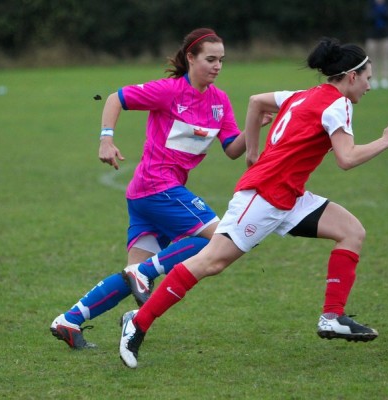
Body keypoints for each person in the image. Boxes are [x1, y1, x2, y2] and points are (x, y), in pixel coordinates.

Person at [118, 37, 388, 369]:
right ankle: (138, 323)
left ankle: (332, 317)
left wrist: (254, 153)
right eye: (368, 79)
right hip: (264, 197)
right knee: (210, 262)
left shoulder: (301, 95)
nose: (369, 86)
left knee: (351, 231)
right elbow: (346, 158)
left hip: (290, 196)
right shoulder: (338, 105)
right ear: (351, 76)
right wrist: (386, 140)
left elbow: (257, 101)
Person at [50, 28, 271, 349]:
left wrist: (253, 127)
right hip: (157, 186)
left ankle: (69, 320)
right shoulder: (168, 91)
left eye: (221, 60)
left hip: (151, 193)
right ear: (190, 58)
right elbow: (116, 98)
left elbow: (232, 149)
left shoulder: (219, 102)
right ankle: (143, 274)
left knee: (132, 274)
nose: (217, 66)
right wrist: (106, 139)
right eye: (210, 59)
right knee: (219, 238)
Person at [364, 0, 388, 89]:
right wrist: (376, 14)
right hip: (372, 37)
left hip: (385, 37)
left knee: (385, 58)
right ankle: (373, 79)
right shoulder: (370, 6)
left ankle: (385, 78)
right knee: (372, 59)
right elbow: (367, 18)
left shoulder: (387, 6)